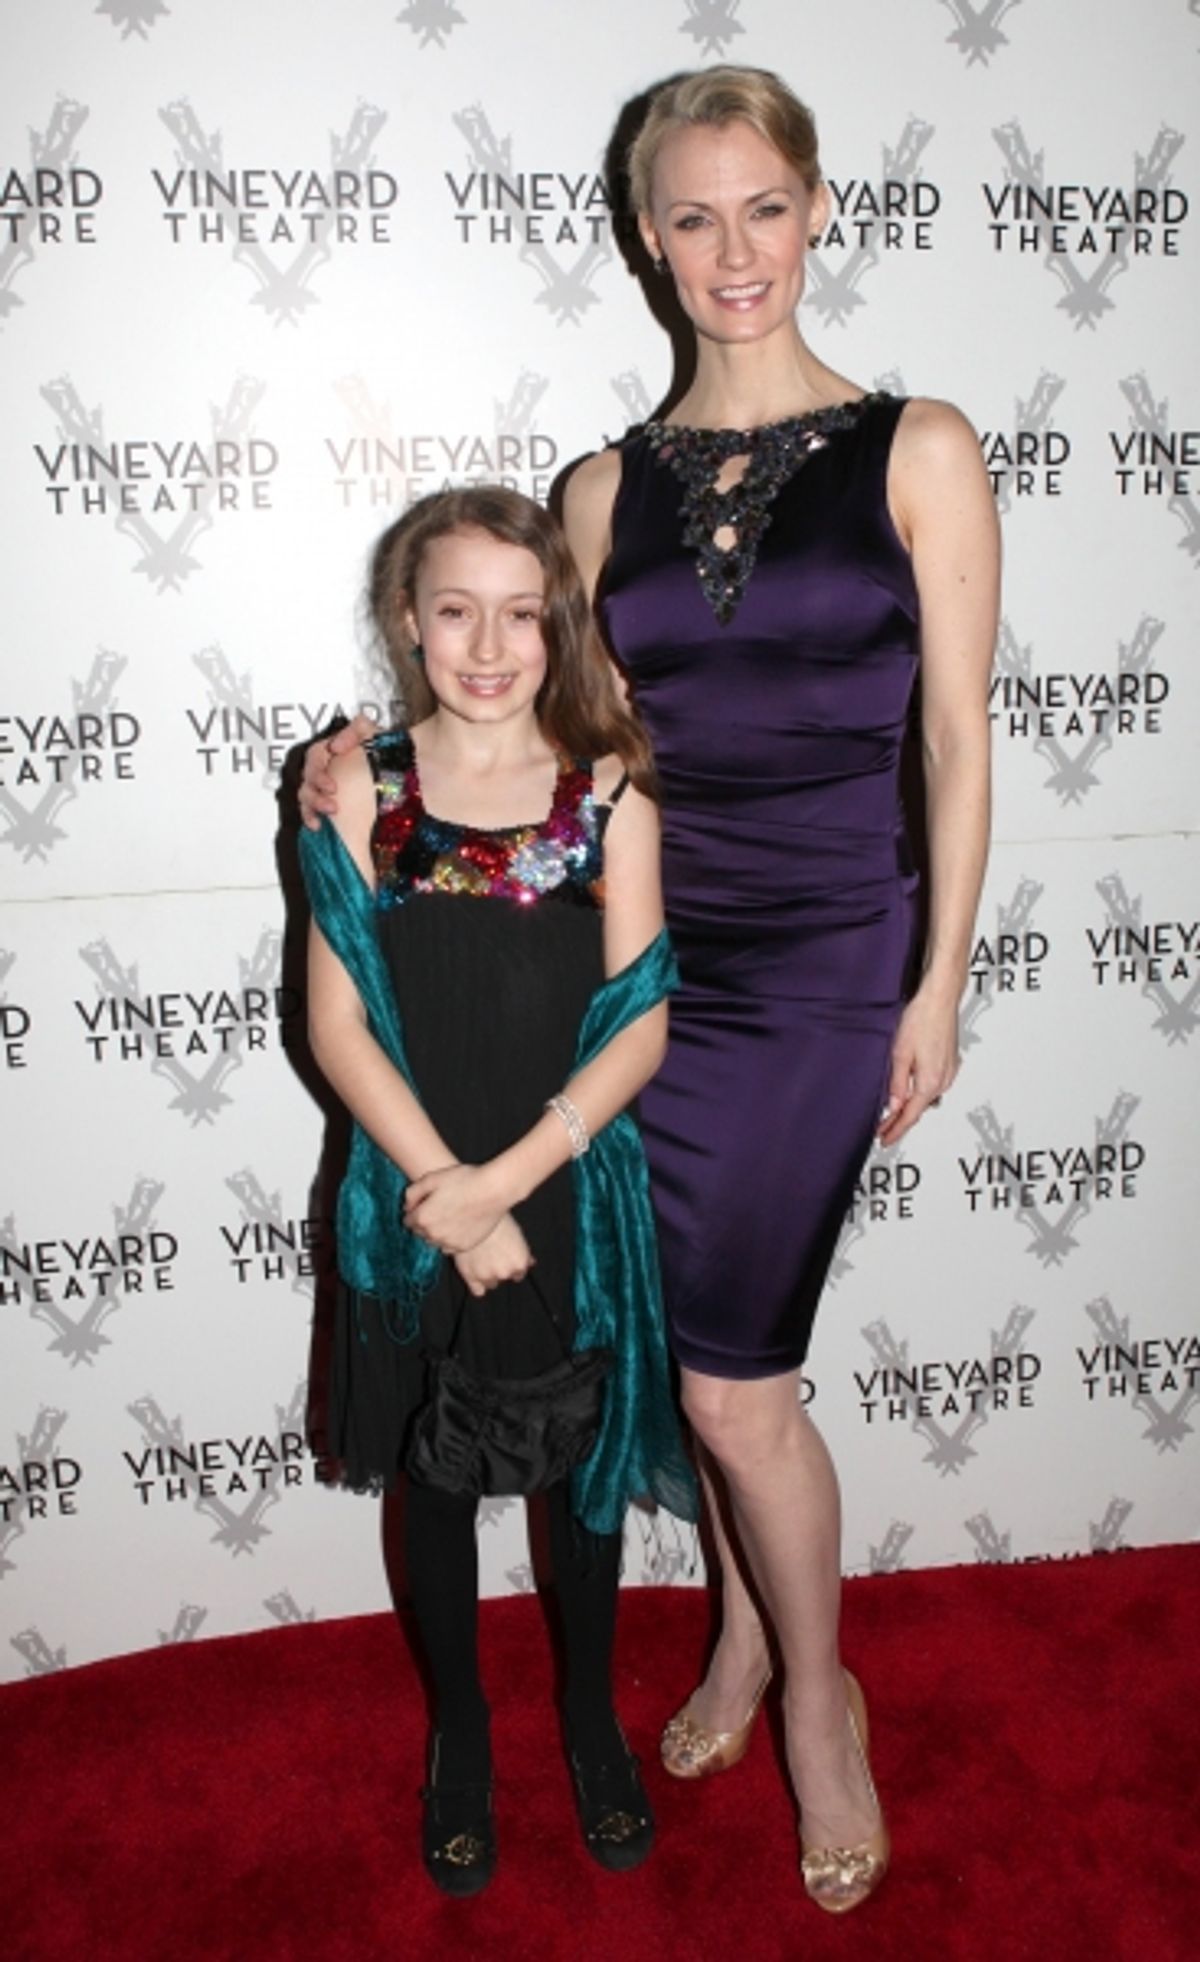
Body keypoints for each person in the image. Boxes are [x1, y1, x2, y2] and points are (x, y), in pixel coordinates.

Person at [302, 64, 998, 1918]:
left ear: (820, 209)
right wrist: (357, 759)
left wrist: (938, 980)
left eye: (763, 205)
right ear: (645, 238)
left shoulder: (922, 446)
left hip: (827, 963)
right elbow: (533, 715)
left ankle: (820, 1705)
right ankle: (750, 1640)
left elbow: (955, 737)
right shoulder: (602, 489)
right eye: (692, 215)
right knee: (674, 1353)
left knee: (734, 1382)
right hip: (635, 977)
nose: (731, 248)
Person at [300, 486, 694, 1898]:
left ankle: (589, 1720)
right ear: (408, 621)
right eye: (455, 609)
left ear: (558, 624)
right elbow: (338, 1023)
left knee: (579, 1475)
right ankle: (460, 1735)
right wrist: (445, 1196)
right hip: (408, 1191)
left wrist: (508, 1187)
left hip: (565, 1191)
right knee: (435, 1472)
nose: (487, 644)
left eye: (521, 613)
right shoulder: (360, 789)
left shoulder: (611, 793)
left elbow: (642, 1022)